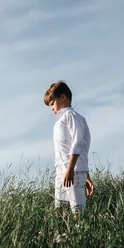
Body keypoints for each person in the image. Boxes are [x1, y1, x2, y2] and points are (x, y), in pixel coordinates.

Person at [44, 81, 94, 227]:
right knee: (60, 212)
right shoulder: (59, 122)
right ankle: (62, 240)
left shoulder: (72, 116)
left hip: (73, 172)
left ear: (63, 97)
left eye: (52, 103)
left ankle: (82, 239)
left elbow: (78, 144)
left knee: (78, 213)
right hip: (62, 173)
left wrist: (74, 170)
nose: (52, 108)